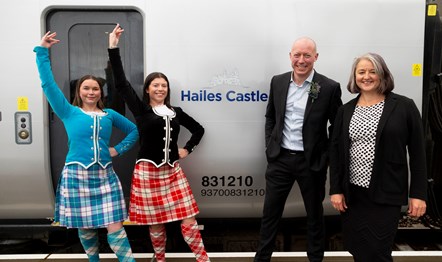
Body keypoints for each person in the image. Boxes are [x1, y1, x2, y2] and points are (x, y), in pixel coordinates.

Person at [107, 24, 209, 262]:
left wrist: (187, 149)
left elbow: (199, 130)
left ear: (167, 89)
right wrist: (113, 47)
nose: (160, 88)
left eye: (164, 85)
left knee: (189, 219)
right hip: (147, 172)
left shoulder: (177, 112)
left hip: (172, 172)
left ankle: (203, 259)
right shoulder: (141, 110)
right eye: (156, 85)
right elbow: (121, 84)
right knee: (156, 222)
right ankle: (159, 258)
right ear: (148, 90)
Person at [34, 32, 138, 262]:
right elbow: (47, 84)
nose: (91, 92)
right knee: (85, 226)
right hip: (76, 174)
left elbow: (134, 131)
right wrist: (42, 51)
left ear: (101, 92)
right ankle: (93, 261)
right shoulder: (68, 111)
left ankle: (128, 261)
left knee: (116, 226)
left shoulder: (109, 114)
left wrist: (117, 149)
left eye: (95, 89)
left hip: (104, 176)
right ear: (78, 92)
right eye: (86, 88)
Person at [329, 53, 427, 262]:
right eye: (361, 72)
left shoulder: (404, 106)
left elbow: (418, 153)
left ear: (382, 74)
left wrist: (418, 194)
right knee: (358, 249)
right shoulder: (345, 111)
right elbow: (336, 153)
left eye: (373, 71)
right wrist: (336, 189)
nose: (367, 76)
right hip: (353, 195)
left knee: (378, 251)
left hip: (386, 193)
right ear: (354, 76)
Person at [254, 37, 342, 262]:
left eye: (307, 55)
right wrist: (270, 145)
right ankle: (261, 259)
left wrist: (325, 157)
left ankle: (315, 259)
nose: (301, 60)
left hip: (311, 162)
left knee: (314, 216)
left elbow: (337, 127)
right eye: (297, 55)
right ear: (290, 56)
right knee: (270, 215)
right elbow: (270, 116)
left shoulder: (328, 87)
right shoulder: (279, 82)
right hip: (280, 159)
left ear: (316, 57)